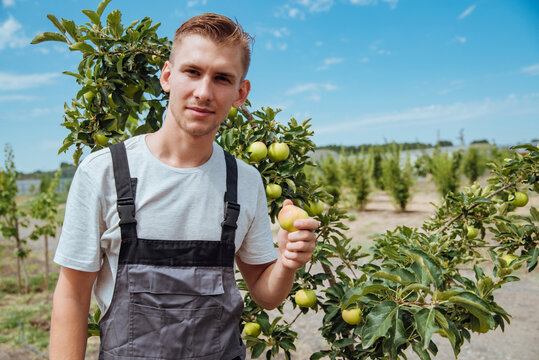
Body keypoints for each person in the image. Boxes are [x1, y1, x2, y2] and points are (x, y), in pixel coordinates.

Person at [49, 13, 319, 360]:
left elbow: (265, 295)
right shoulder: (103, 172)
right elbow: (72, 295)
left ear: (240, 93)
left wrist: (286, 261)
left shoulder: (244, 181)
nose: (203, 92)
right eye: (192, 72)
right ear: (167, 76)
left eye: (222, 78)